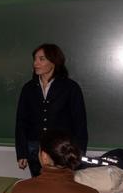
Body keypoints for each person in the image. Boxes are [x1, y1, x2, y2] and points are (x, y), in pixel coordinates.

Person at [15, 44, 88, 178]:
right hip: (34, 148)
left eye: (41, 59)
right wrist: (21, 152)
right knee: (39, 187)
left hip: (62, 150)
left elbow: (80, 123)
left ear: (54, 62)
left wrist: (80, 153)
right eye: (35, 59)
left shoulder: (70, 88)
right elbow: (21, 122)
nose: (35, 63)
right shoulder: (28, 88)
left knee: (62, 189)